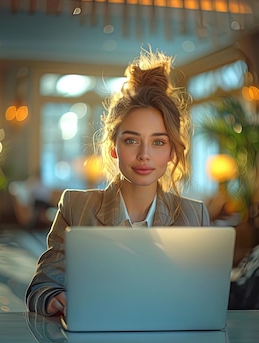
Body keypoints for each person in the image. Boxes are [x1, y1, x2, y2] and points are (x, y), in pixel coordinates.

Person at [25, 48, 211, 316]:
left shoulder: (195, 216)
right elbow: (41, 286)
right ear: (113, 147)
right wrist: (54, 297)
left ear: (172, 151)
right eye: (131, 140)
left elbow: (205, 298)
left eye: (158, 142)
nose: (144, 155)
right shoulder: (77, 207)